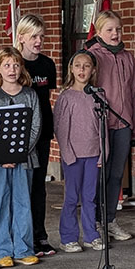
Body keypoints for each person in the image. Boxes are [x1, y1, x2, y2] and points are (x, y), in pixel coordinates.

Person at [0, 47, 41, 267]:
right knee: (0, 203)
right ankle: (2, 250)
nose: (12, 69)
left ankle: (23, 248)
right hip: (0, 162)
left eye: (16, 65)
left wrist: (19, 152)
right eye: (6, 65)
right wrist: (0, 155)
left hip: (25, 159)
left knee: (23, 202)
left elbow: (35, 126)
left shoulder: (30, 95)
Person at [85, 10, 135, 241]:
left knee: (116, 175)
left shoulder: (128, 57)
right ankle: (94, 222)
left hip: (123, 123)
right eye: (109, 30)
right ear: (99, 32)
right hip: (101, 124)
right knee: (99, 174)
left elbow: (133, 91)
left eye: (118, 29)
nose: (115, 34)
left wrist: (134, 121)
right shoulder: (92, 56)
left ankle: (110, 220)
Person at [53, 50, 105, 253]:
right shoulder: (66, 97)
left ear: (93, 70)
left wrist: (103, 152)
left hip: (93, 155)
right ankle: (68, 238)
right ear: (71, 70)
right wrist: (67, 154)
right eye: (78, 66)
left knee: (90, 197)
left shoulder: (98, 95)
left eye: (86, 66)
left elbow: (103, 128)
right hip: (73, 156)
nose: (82, 70)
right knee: (72, 198)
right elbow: (60, 128)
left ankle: (91, 235)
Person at [15, 14, 57, 257]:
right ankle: (22, 236)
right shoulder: (14, 63)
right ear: (21, 37)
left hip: (41, 133)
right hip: (20, 133)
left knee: (38, 187)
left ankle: (40, 236)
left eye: (41, 36)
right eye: (33, 36)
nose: (39, 41)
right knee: (21, 186)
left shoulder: (47, 65)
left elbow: (46, 99)